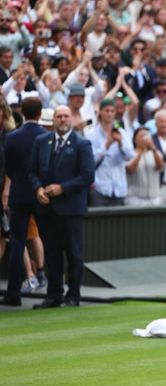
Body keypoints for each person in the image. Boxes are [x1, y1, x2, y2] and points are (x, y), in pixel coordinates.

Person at [28, 105, 95, 309]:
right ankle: (54, 294)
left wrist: (62, 188)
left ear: (71, 120)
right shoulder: (42, 141)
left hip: (71, 208)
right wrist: (38, 189)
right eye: (59, 116)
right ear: (53, 120)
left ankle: (73, 295)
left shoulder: (82, 143)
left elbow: (87, 175)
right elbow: (31, 171)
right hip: (46, 209)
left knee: (74, 254)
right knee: (51, 253)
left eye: (66, 116)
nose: (63, 120)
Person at [1, 97, 46, 307]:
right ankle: (54, 290)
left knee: (17, 243)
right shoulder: (47, 136)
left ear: (24, 113)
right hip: (41, 195)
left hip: (19, 195)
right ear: (39, 114)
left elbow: (8, 168)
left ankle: (13, 294)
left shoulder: (12, 137)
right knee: (50, 241)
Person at [125, 127, 164, 206]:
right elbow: (130, 169)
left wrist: (153, 149)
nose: (144, 138)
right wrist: (140, 151)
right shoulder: (129, 154)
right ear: (135, 140)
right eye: (141, 136)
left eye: (146, 135)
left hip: (154, 199)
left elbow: (160, 167)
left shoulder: (156, 153)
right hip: (135, 199)